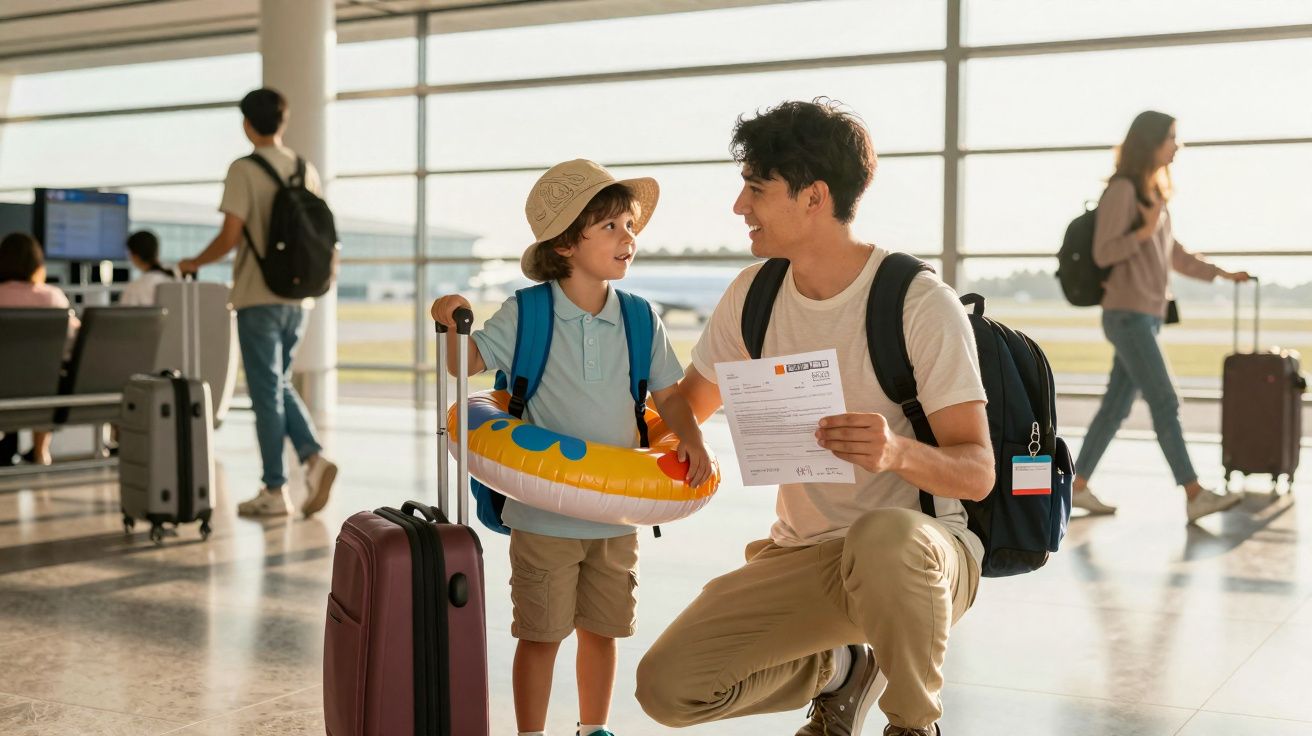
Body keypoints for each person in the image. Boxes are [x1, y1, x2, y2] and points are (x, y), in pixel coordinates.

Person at [634, 100, 992, 736]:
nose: (739, 207)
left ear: (813, 197)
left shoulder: (917, 303)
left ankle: (913, 724)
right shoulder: (755, 294)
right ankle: (841, 671)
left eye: (755, 188)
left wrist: (897, 454)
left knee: (884, 536)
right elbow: (686, 407)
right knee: (668, 689)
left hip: (921, 559)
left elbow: (978, 472)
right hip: (804, 554)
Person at [431, 159, 714, 736]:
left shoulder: (640, 319)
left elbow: (671, 397)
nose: (628, 238)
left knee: (603, 631)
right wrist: (446, 324)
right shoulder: (527, 313)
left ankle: (593, 728)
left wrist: (693, 439)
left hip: (617, 517)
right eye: (610, 226)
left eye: (630, 226)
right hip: (544, 516)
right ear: (565, 243)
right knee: (539, 636)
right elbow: (470, 363)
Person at [1071, 111, 1249, 523]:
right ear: (1150, 142)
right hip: (1126, 315)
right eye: (1171, 137)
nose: (1177, 145)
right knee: (1166, 400)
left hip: (1146, 317)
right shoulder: (1122, 190)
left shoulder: (1152, 194)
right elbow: (1104, 253)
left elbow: (1175, 255)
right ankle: (1194, 493)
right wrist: (1143, 230)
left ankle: (1077, 486)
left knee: (1114, 409)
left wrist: (1222, 274)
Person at [177, 88, 337, 518]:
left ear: (247, 124)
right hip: (299, 299)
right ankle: (312, 460)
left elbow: (231, 236)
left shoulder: (243, 169)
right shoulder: (306, 168)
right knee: (279, 383)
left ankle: (274, 489)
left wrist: (194, 260)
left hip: (258, 294)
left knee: (266, 392)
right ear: (282, 123)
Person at [0, 232, 80, 465]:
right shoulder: (52, 298)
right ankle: (40, 452)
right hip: (44, 390)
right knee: (47, 374)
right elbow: (74, 340)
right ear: (37, 264)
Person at [118, 230, 175, 306]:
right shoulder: (173, 279)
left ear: (134, 256)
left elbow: (123, 315)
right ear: (157, 252)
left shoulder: (134, 288)